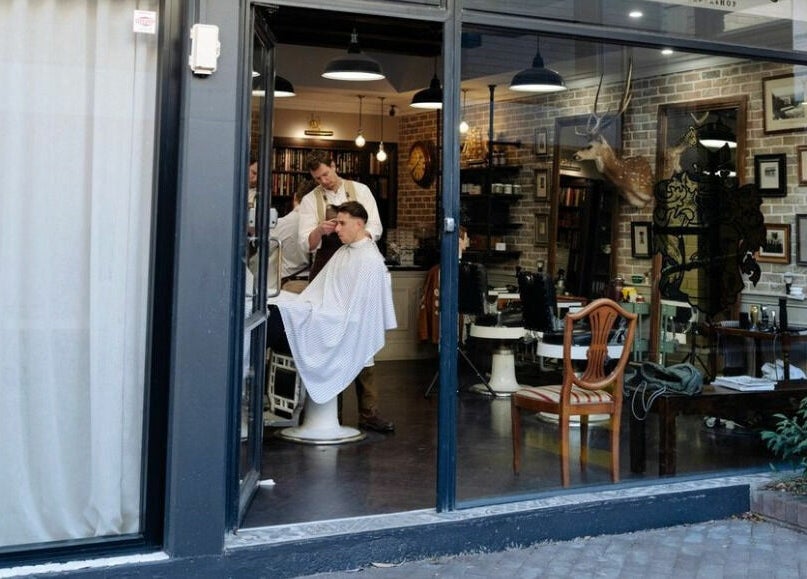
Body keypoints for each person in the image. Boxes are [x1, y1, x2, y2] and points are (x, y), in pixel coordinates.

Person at [295, 151, 392, 433]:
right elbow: (305, 244)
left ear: (335, 166)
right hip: (328, 265)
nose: (323, 181)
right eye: (317, 178)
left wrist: (358, 243)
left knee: (360, 331)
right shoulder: (310, 201)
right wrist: (322, 231)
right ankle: (328, 408)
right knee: (327, 335)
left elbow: (374, 225)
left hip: (358, 259)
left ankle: (369, 412)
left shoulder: (360, 190)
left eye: (326, 174)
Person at [268, 201, 396, 413]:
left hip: (342, 325)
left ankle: (241, 377)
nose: (336, 229)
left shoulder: (370, 260)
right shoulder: (344, 252)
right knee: (275, 307)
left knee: (279, 319)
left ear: (359, 224)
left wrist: (319, 310)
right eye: (336, 223)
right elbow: (323, 292)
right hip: (329, 315)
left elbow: (360, 312)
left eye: (342, 224)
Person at [268, 180, 311, 294]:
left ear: (295, 197)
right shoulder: (324, 222)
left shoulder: (282, 223)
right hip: (315, 284)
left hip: (290, 284)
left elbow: (264, 249)